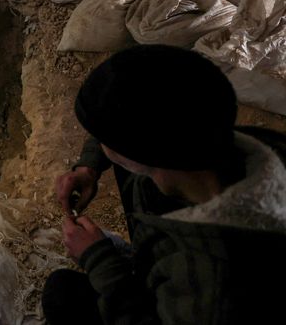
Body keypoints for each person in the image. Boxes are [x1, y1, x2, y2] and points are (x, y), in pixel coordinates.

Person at [43, 44, 286, 325]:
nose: (99, 143)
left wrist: (100, 261)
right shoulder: (221, 139)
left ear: (136, 151)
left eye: (105, 140)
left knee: (61, 296)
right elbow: (141, 121)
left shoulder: (211, 284)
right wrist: (89, 167)